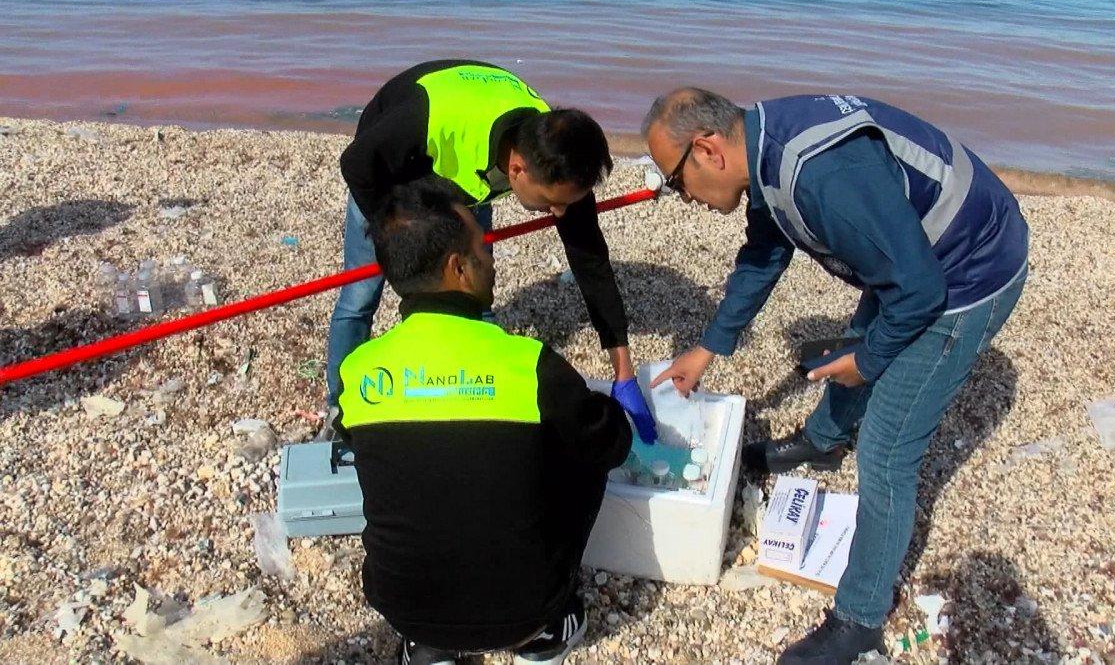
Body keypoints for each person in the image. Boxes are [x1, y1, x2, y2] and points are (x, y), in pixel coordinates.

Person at [642, 89, 1028, 663]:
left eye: (675, 180)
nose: (682, 197)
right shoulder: (762, 146)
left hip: (968, 274)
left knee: (887, 450)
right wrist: (707, 348)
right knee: (862, 334)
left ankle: (859, 619)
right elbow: (764, 254)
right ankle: (821, 444)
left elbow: (920, 292)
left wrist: (869, 361)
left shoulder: (821, 177)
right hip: (916, 256)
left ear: (708, 149)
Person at [333, 175, 633, 665]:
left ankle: (431, 647)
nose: (490, 258)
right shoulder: (527, 363)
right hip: (525, 607)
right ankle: (546, 636)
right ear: (459, 269)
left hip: (403, 606)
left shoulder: (359, 371)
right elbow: (610, 444)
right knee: (582, 457)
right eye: (482, 247)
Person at [324, 59, 656, 444]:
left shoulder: (556, 153)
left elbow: (591, 261)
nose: (560, 213)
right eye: (551, 203)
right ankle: (340, 408)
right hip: (397, 166)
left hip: (471, 173)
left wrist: (623, 371)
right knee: (362, 295)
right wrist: (395, 239)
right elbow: (357, 163)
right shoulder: (428, 120)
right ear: (517, 169)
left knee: (475, 292)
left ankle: (474, 391)